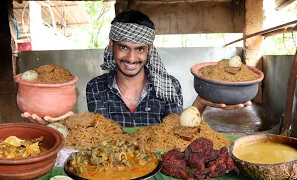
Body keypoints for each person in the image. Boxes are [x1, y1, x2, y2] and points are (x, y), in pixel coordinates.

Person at [21, 10, 250, 125]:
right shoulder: (95, 87)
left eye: (140, 49)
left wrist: (200, 105)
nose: (131, 57)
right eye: (124, 47)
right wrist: (66, 123)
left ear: (149, 50)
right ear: (112, 46)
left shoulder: (169, 86)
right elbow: (101, 135)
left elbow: (177, 131)